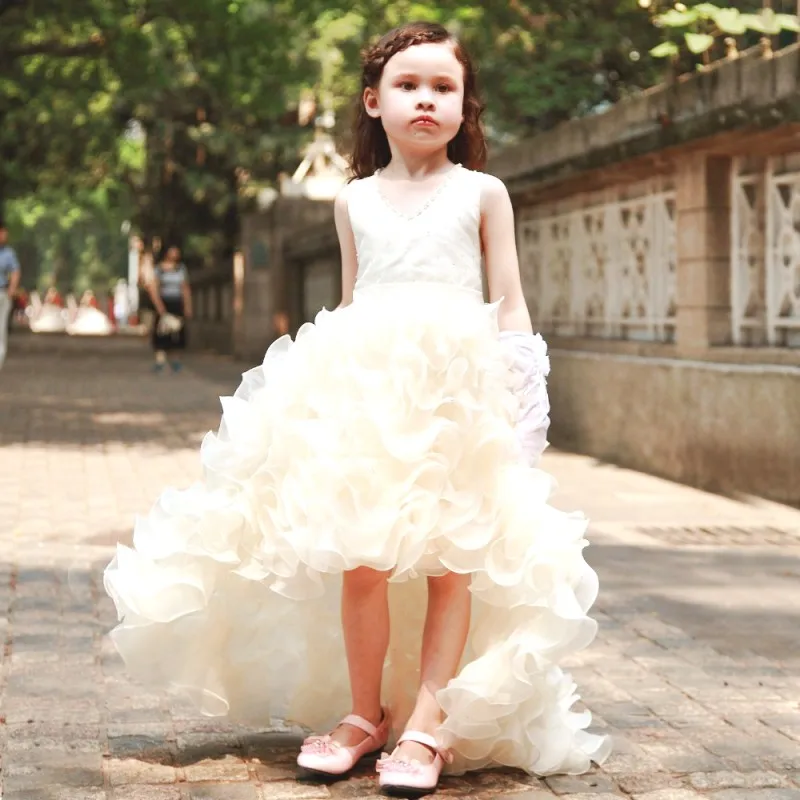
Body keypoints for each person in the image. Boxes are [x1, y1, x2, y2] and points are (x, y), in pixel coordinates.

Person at [103, 21, 610, 795]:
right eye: (409, 86)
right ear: (374, 102)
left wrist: (523, 396)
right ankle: (362, 712)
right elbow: (346, 304)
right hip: (368, 396)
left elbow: (508, 300)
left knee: (452, 560)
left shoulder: (483, 193)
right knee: (363, 559)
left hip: (457, 396)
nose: (427, 101)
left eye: (444, 87)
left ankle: (426, 728)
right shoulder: (354, 203)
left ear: (465, 103)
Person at [147, 245, 192, 373]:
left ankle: (176, 361)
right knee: (161, 332)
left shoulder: (181, 269)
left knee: (177, 332)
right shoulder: (159, 270)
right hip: (164, 302)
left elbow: (185, 288)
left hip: (177, 303)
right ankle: (160, 361)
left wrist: (188, 305)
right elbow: (153, 288)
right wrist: (160, 307)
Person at [0, 221, 21, 369]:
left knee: (1, 328)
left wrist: (12, 289)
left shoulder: (8, 253)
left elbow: (15, 270)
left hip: (2, 292)